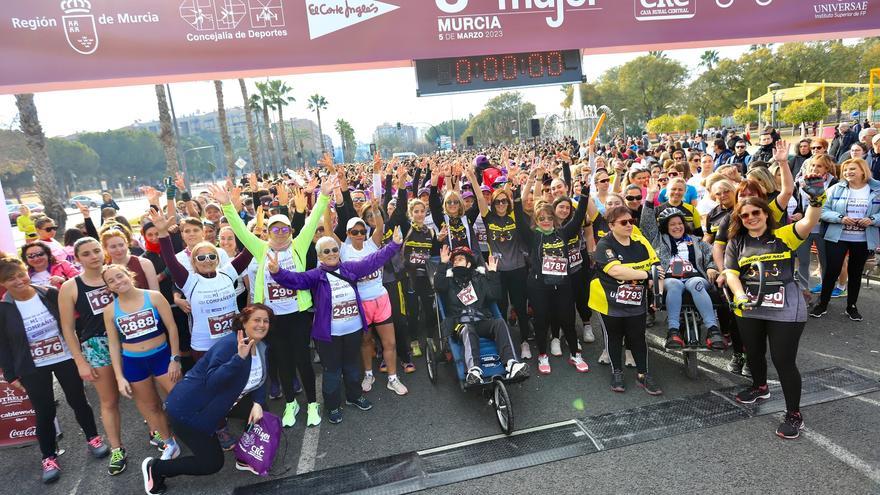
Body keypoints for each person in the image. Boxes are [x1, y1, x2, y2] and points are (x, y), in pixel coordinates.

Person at [218, 174, 332, 429]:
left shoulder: (299, 245)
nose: (280, 233)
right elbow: (238, 230)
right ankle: (291, 403)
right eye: (275, 230)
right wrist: (228, 206)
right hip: (272, 318)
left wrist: (323, 195)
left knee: (303, 359)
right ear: (268, 233)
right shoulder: (261, 249)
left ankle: (312, 403)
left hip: (298, 314)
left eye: (284, 229)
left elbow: (312, 222)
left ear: (290, 231)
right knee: (282, 360)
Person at [266, 228, 403, 425]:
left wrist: (394, 245)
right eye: (326, 251)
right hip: (329, 335)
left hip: (353, 330)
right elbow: (296, 280)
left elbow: (373, 260)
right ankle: (332, 406)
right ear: (320, 256)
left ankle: (354, 396)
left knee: (351, 366)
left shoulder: (349, 269)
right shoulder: (315, 275)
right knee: (332, 370)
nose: (331, 254)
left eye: (334, 250)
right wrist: (278, 272)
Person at [723, 176, 825, 439]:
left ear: (766, 214)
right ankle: (760, 387)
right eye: (745, 215)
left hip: (785, 307)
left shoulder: (783, 236)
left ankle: (794, 414)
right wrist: (739, 295)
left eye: (756, 212)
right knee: (754, 353)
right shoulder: (737, 242)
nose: (751, 217)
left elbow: (810, 221)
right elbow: (731, 273)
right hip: (749, 305)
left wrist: (815, 199)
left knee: (783, 360)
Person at [141, 305, 273, 494]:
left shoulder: (261, 346)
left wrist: (258, 403)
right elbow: (212, 382)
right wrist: (238, 358)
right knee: (211, 463)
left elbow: (260, 379)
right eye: (256, 320)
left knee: (261, 412)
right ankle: (157, 468)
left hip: (220, 403)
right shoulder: (230, 345)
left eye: (266, 321)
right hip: (189, 411)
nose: (261, 325)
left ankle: (247, 455)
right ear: (243, 322)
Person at [0, 256, 109, 484]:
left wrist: (82, 355)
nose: (18, 281)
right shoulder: (3, 309)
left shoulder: (49, 293)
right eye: (10, 279)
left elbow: (72, 324)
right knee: (45, 411)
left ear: (26, 272)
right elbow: (3, 345)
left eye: (20, 274)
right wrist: (10, 375)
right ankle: (48, 456)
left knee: (78, 400)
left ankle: (93, 438)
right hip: (32, 366)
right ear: (3, 283)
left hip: (65, 357)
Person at [57, 237, 126, 475]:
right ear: (77, 258)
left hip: (128, 338)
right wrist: (79, 361)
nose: (94, 256)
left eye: (97, 250)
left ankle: (155, 433)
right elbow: (67, 328)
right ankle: (117, 448)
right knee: (109, 401)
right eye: (86, 253)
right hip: (97, 345)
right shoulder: (70, 287)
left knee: (143, 394)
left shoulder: (116, 274)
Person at [102, 264, 182, 461]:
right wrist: (119, 377)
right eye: (111, 281)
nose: (117, 282)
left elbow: (172, 328)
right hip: (134, 362)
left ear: (129, 275)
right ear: (108, 287)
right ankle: (169, 442)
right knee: (152, 407)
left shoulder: (153, 297)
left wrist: (175, 359)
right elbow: (113, 344)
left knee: (181, 399)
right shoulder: (110, 310)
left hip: (162, 357)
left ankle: (198, 434)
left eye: (120, 276)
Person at [515, 168, 589, 375]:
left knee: (567, 318)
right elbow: (519, 218)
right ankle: (542, 356)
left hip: (562, 283)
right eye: (541, 218)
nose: (546, 220)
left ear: (554, 218)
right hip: (539, 284)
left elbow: (580, 215)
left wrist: (585, 192)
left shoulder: (563, 232)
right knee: (542, 320)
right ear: (536, 220)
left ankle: (575, 354)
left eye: (549, 217)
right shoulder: (532, 236)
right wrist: (515, 195)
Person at [589, 206, 663, 395]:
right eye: (624, 222)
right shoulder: (605, 244)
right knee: (613, 337)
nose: (629, 225)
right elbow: (615, 271)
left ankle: (643, 374)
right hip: (609, 301)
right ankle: (617, 372)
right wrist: (646, 274)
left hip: (636, 301)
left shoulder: (640, 241)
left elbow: (657, 270)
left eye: (631, 221)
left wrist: (657, 294)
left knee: (637, 338)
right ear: (611, 225)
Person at [433, 245, 529, 384]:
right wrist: (442, 264)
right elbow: (438, 287)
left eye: (460, 259)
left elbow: (494, 295)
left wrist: (493, 274)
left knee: (500, 322)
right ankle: (474, 370)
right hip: (459, 324)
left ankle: (511, 364)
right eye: (454, 260)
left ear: (469, 263)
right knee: (467, 329)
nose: (456, 262)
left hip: (481, 320)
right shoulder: (448, 280)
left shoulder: (479, 279)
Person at [640, 203, 723, 350]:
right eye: (672, 224)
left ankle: (713, 330)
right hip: (670, 278)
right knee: (674, 284)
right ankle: (673, 331)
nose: (677, 227)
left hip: (694, 276)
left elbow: (712, 256)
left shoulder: (696, 241)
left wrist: (711, 268)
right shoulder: (658, 240)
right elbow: (646, 223)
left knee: (696, 283)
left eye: (680, 223)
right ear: (666, 227)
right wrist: (650, 198)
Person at [810, 158, 880, 321]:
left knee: (855, 274)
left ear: (863, 170)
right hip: (837, 238)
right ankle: (822, 304)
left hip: (863, 240)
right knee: (831, 271)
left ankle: (852, 306)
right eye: (846, 169)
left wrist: (872, 219)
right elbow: (822, 211)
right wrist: (840, 218)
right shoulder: (836, 188)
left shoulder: (876, 189)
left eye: (853, 169)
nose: (848, 172)